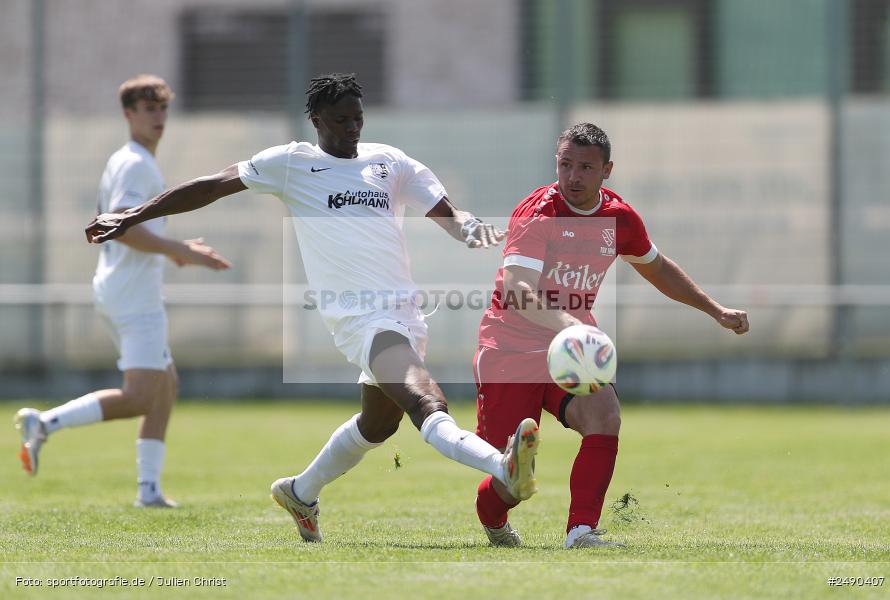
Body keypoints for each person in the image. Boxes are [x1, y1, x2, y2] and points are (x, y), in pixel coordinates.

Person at [84, 73, 541, 541]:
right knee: (427, 401)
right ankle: (502, 464)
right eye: (341, 120)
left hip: (404, 315)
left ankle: (300, 493)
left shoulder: (391, 162)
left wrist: (469, 228)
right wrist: (132, 215)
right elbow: (211, 185)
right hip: (360, 319)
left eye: (358, 118)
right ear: (317, 120)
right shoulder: (292, 163)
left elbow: (448, 213)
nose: (352, 128)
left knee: (377, 425)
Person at [472, 122, 750, 548]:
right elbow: (516, 287)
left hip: (570, 348)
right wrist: (568, 323)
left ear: (607, 170)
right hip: (509, 348)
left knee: (605, 416)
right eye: (565, 165)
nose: (573, 177)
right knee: (509, 476)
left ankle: (581, 531)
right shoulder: (539, 212)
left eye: (585, 167)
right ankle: (494, 517)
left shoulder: (618, 218)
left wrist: (714, 310)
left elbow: (656, 267)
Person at [15, 75, 231, 508]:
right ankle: (44, 424)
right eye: (148, 108)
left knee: (165, 384)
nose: (158, 117)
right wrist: (180, 249)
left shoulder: (127, 159)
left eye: (163, 108)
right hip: (134, 296)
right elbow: (120, 227)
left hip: (121, 289)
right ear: (128, 114)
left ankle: (148, 490)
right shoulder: (135, 164)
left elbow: (114, 223)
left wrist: (172, 251)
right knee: (139, 397)